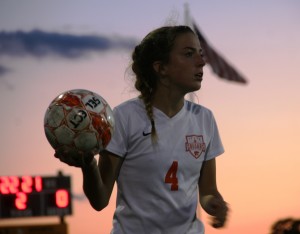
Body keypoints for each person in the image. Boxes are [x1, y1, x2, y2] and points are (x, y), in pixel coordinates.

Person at [55, 25, 229, 234]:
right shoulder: (124, 118)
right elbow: (100, 200)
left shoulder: (204, 119)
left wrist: (214, 203)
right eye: (189, 54)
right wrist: (88, 165)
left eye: (200, 54)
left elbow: (208, 191)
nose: (202, 62)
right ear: (161, 68)